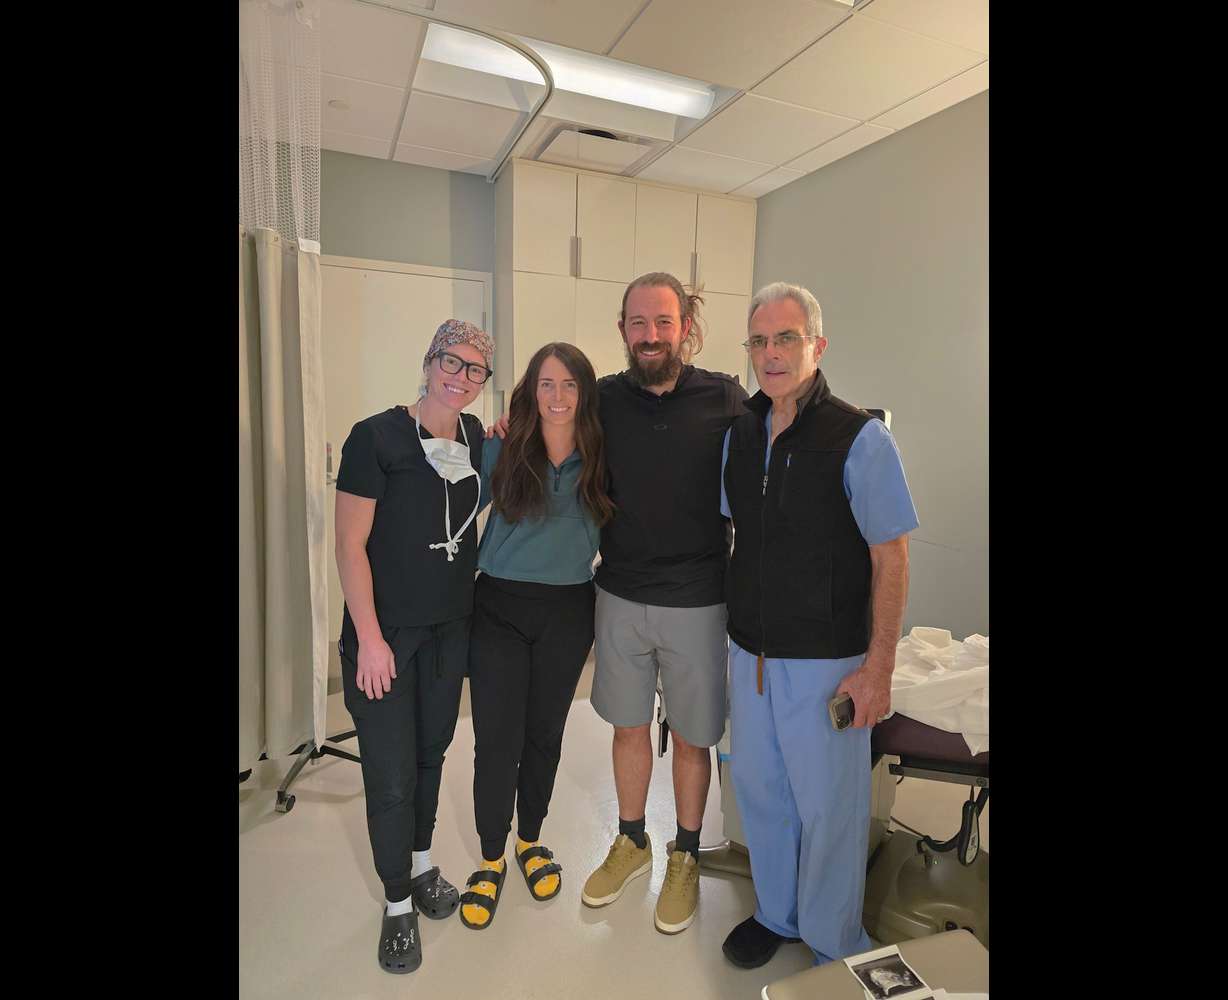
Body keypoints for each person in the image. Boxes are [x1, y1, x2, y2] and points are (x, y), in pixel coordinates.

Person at [496, 272, 749, 935]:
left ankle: (686, 854)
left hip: (699, 598)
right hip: (620, 593)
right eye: (638, 323)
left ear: (685, 326)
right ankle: (632, 839)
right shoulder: (602, 400)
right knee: (628, 727)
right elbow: (547, 425)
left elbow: (767, 463)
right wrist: (508, 421)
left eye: (663, 322)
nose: (651, 335)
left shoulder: (724, 396)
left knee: (694, 737)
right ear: (622, 330)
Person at [718, 282, 918, 969]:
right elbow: (737, 532)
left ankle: (835, 938)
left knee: (829, 809)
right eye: (759, 340)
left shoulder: (859, 437)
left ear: (817, 346)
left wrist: (879, 668)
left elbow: (890, 556)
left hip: (827, 662)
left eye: (787, 338)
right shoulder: (740, 435)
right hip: (750, 657)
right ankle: (778, 912)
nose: (771, 353)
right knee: (760, 792)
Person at [333, 319, 494, 974]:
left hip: (450, 628)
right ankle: (397, 902)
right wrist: (369, 640)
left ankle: (422, 865)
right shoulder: (376, 438)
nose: (460, 378)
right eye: (451, 363)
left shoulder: (476, 435)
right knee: (392, 773)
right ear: (428, 363)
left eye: (475, 370)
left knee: (431, 755)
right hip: (388, 638)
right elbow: (348, 547)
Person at [457, 342, 615, 931]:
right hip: (498, 606)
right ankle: (491, 857)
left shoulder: (601, 454)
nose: (557, 397)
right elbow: (451, 505)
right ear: (530, 390)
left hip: (568, 611)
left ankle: (530, 840)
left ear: (584, 393)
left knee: (545, 734)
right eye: (546, 384)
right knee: (497, 738)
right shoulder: (503, 445)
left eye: (569, 385)